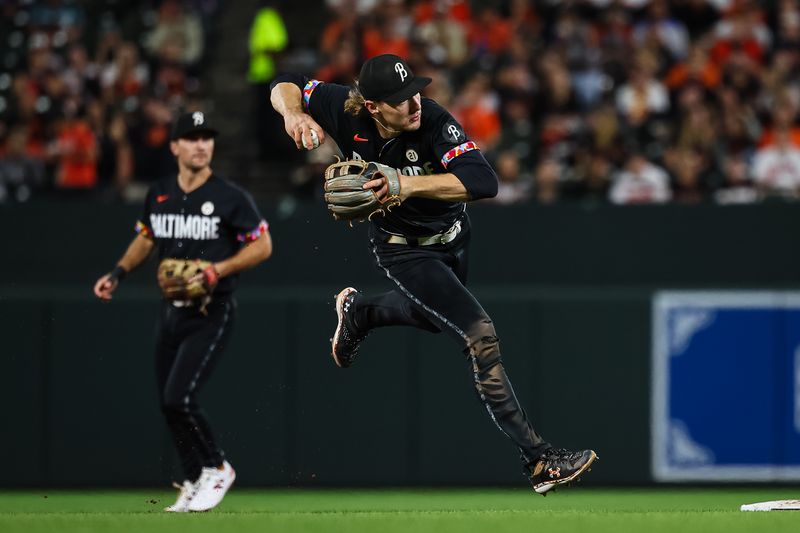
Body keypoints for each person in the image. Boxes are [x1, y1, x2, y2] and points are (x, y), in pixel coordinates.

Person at [269, 54, 596, 494]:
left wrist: (405, 184)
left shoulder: (434, 121)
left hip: (453, 240)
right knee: (479, 334)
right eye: (401, 99)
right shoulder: (344, 109)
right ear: (373, 106)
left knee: (431, 316)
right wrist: (293, 114)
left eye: (416, 90)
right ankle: (540, 460)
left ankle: (361, 314)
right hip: (403, 251)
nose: (415, 102)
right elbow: (286, 81)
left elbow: (483, 181)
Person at [93, 111, 272, 511]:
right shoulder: (159, 193)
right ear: (174, 146)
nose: (201, 144)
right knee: (168, 403)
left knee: (179, 397)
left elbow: (262, 246)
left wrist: (219, 269)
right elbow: (146, 238)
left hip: (211, 310)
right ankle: (193, 480)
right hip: (170, 312)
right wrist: (118, 272)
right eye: (191, 138)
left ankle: (217, 467)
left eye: (206, 137)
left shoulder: (230, 197)